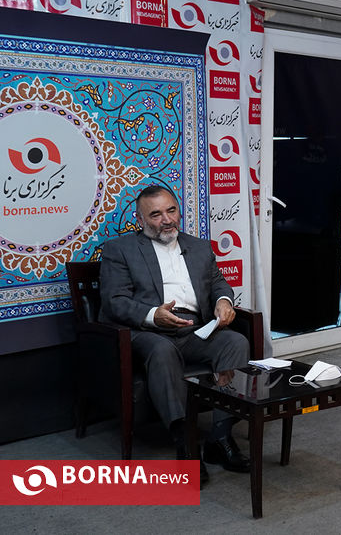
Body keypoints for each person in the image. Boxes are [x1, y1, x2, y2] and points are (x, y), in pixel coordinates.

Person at [100, 184, 251, 486]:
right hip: (148, 331)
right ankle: (186, 441)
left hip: (195, 329)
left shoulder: (199, 247)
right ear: (140, 219)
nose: (167, 220)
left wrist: (224, 301)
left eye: (171, 210)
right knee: (162, 350)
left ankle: (220, 438)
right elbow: (114, 301)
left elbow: (218, 283)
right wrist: (153, 314)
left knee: (235, 341)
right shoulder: (120, 250)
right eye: (155, 214)